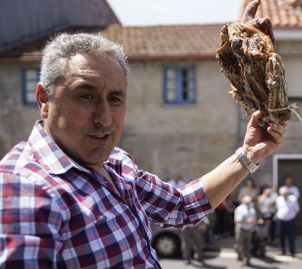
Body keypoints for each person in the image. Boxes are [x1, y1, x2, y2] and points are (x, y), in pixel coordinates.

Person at [0, 19, 285, 269]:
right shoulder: (24, 187)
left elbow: (182, 206)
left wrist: (248, 154)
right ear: (44, 100)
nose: (104, 118)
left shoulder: (116, 164)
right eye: (85, 96)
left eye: (115, 99)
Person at [275, 186, 300, 256]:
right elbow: (277, 208)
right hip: (280, 220)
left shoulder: (293, 199)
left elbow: (297, 209)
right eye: (283, 194)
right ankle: (282, 250)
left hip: (290, 220)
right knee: (280, 236)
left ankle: (292, 251)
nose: (285, 195)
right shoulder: (278, 199)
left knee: (291, 236)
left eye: (286, 193)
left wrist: (291, 215)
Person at [234, 195, 257, 267]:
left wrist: (254, 223)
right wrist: (247, 221)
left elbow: (254, 219)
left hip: (249, 229)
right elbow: (237, 221)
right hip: (241, 229)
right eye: (247, 202)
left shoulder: (252, 209)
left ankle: (247, 260)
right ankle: (241, 257)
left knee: (248, 245)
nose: (249, 203)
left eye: (249, 202)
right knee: (240, 245)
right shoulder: (240, 209)